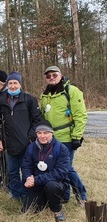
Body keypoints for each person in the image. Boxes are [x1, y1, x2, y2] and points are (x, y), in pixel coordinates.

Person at [40, 66, 87, 205]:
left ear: (61, 75)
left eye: (54, 75)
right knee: (55, 168)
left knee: (66, 168)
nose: (51, 78)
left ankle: (81, 195)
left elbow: (80, 115)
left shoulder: (71, 91)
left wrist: (77, 136)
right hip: (50, 138)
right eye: (48, 76)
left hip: (66, 137)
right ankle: (64, 196)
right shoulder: (45, 95)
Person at [0, 71, 42, 200]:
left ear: (20, 84)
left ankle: (28, 195)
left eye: (15, 83)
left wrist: (31, 137)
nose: (13, 86)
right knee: (13, 172)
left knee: (27, 171)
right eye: (10, 83)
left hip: (27, 144)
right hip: (9, 144)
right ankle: (16, 195)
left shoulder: (29, 99)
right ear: (7, 84)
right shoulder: (0, 101)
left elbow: (37, 120)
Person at [22, 120, 69, 222]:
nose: (42, 136)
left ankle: (57, 210)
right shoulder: (31, 147)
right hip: (37, 183)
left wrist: (36, 179)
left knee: (51, 186)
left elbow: (60, 172)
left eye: (46, 133)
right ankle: (45, 200)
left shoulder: (61, 148)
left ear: (52, 133)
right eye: (39, 133)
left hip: (55, 182)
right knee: (28, 210)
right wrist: (28, 178)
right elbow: (26, 166)